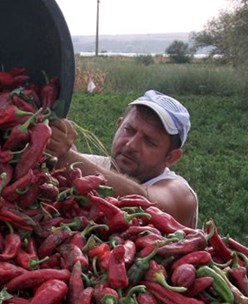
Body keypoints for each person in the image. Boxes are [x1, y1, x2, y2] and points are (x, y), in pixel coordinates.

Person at [47, 89, 198, 228]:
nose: (132, 145)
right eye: (129, 130)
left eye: (149, 141)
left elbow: (141, 200)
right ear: (119, 125)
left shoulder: (181, 195)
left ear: (171, 157)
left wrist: (65, 155)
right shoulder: (96, 164)